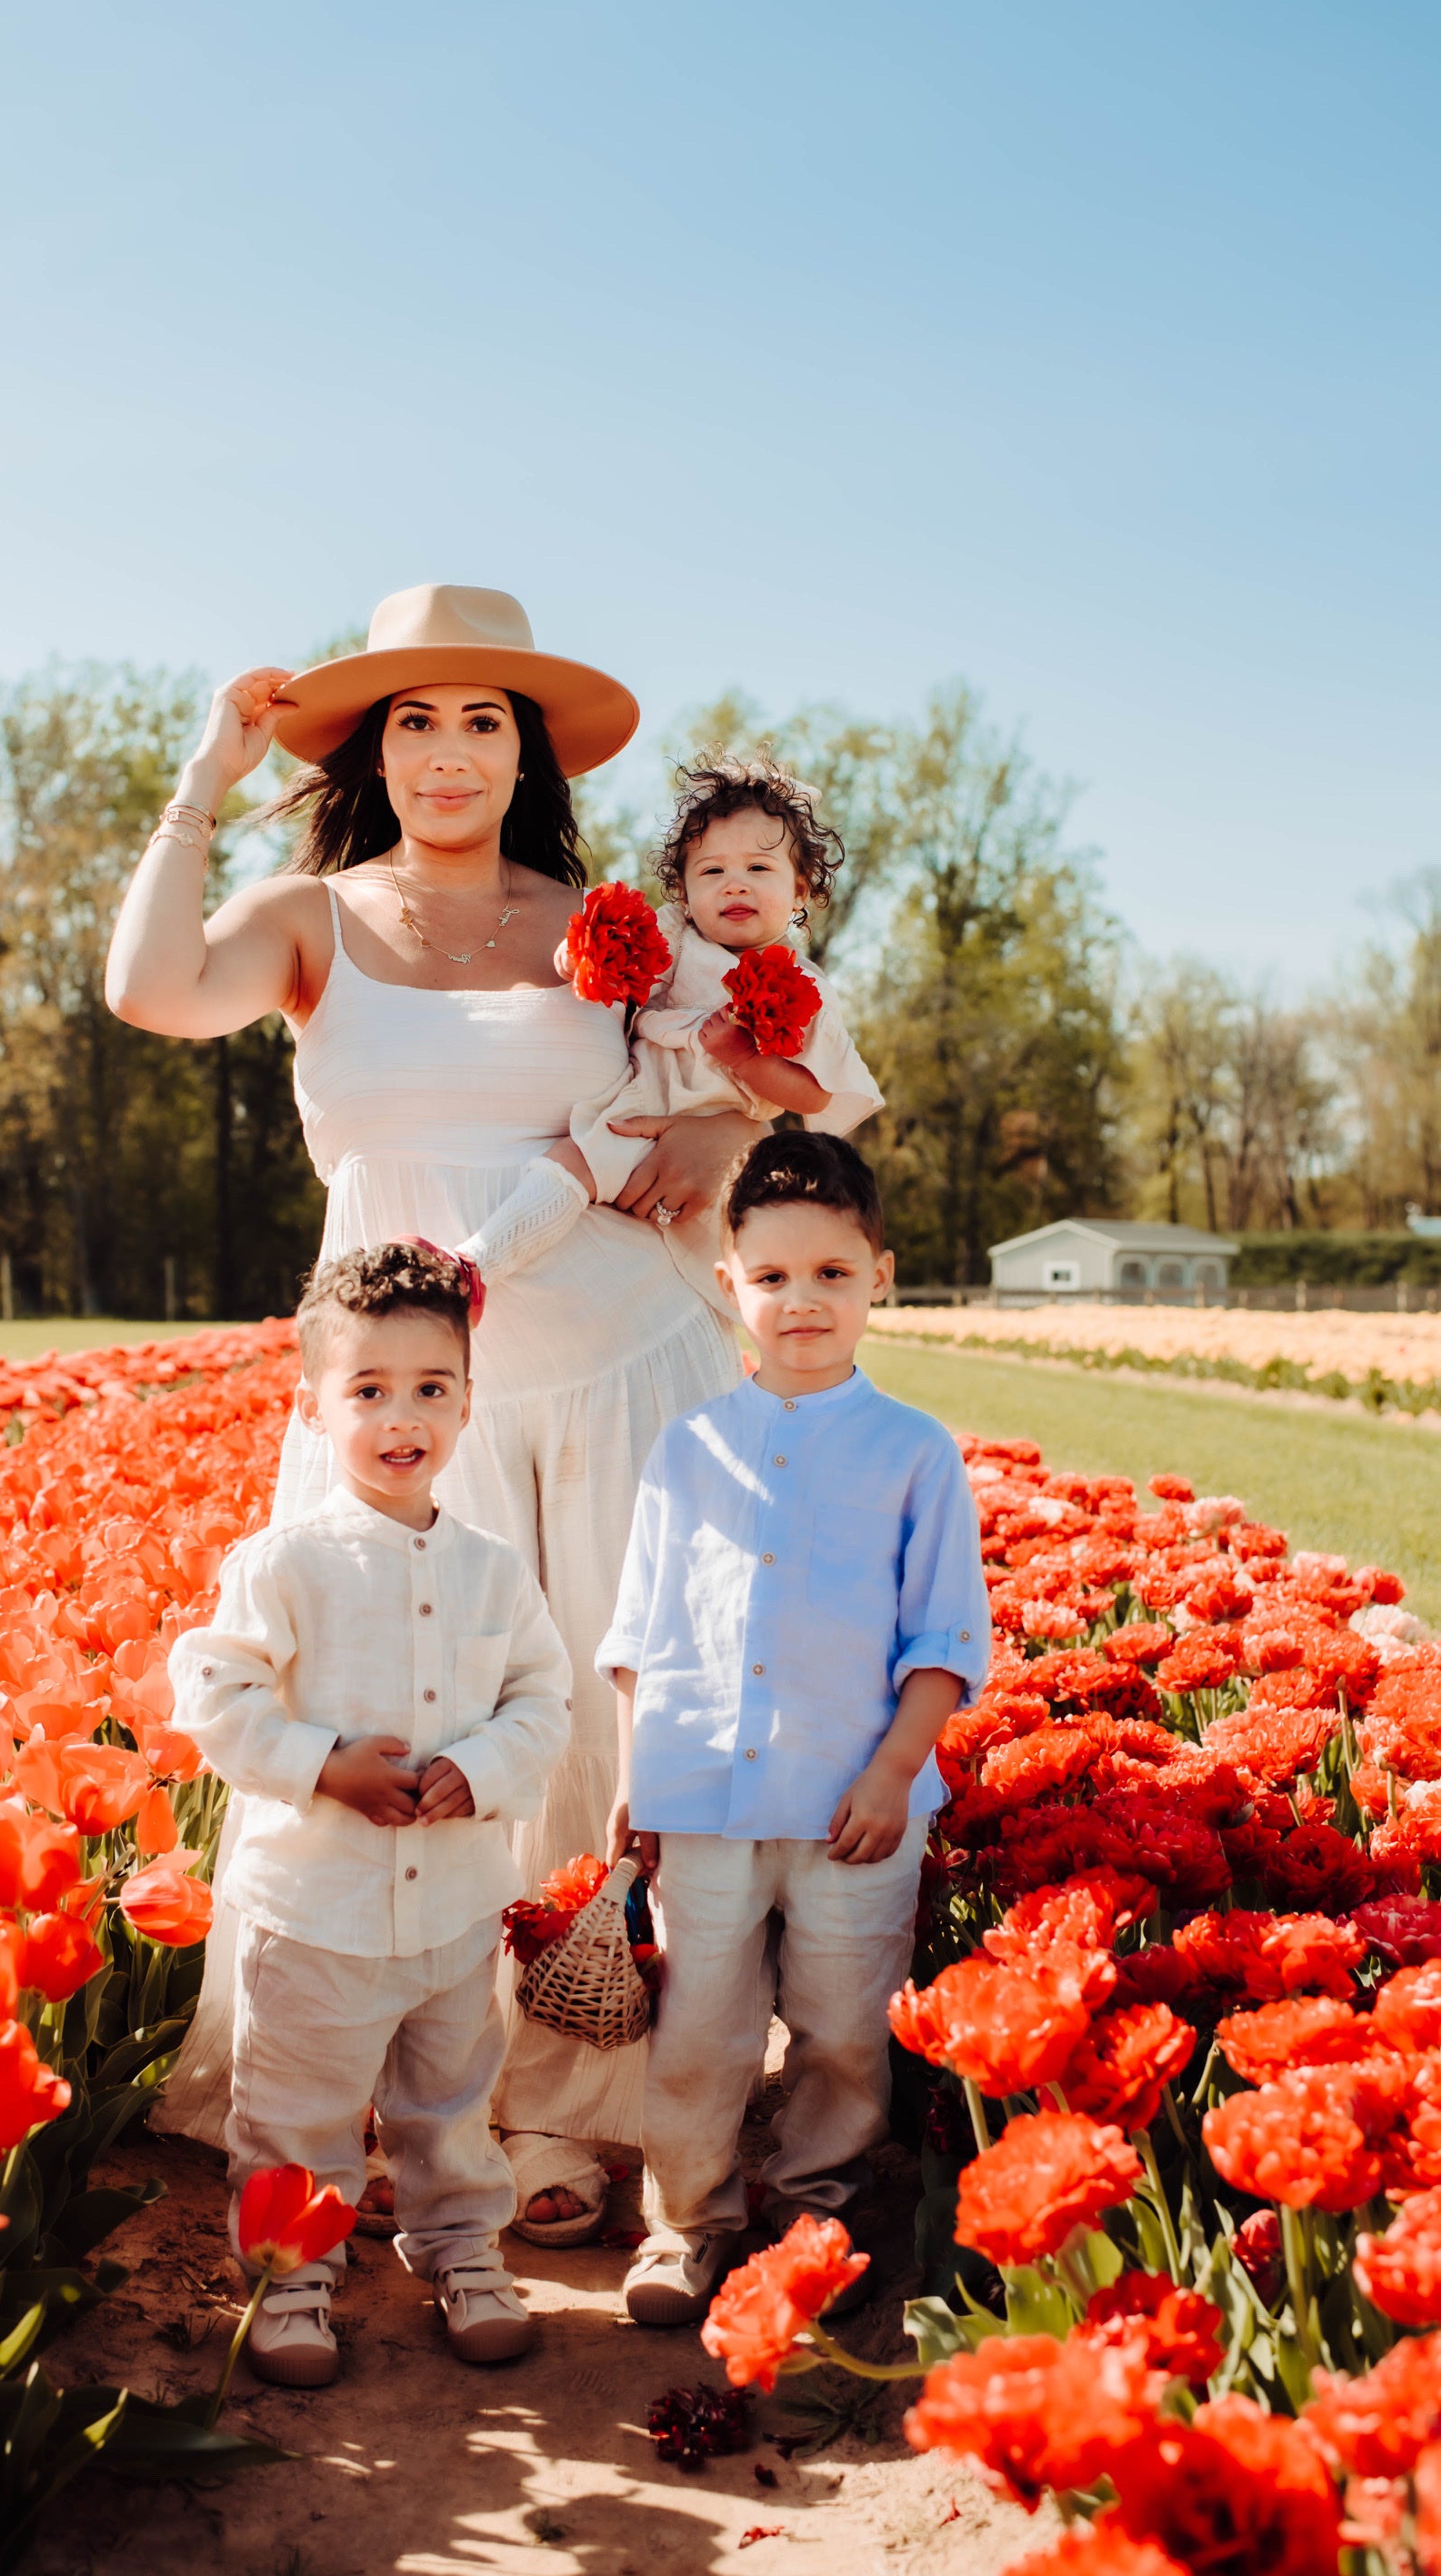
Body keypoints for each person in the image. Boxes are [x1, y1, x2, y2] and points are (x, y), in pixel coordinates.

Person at [107, 585, 759, 2240]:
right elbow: (149, 989)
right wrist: (206, 770)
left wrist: (714, 1145)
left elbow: (725, 1098)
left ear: (525, 748)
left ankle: (571, 2114)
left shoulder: (608, 923)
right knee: (402, 1715)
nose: (449, 750)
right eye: (414, 717)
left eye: (483, 718)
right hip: (400, 1389)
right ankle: (400, 2107)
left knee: (591, 1732)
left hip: (615, 1363)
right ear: (369, 747)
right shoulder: (308, 915)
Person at [599, 1132, 992, 2326]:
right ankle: (689, 2222)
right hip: (704, 1795)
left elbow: (942, 1640)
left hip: (850, 1811)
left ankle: (812, 2213)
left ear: (879, 1273)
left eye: (829, 1271)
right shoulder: (688, 1446)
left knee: (839, 2031)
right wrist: (634, 1778)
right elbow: (642, 1626)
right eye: (770, 1277)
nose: (800, 1300)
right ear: (729, 1286)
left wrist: (891, 1771)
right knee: (699, 2029)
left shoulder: (912, 1451)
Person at [167, 1243, 571, 2384]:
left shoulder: (494, 1571)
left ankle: (461, 2250)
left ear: (467, 1402)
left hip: (452, 1906)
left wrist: (485, 1766)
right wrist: (322, 1764)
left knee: (449, 2100)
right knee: (299, 2107)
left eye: (432, 1389)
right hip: (317, 1913)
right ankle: (294, 2273)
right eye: (369, 1390)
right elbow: (214, 1692)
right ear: (312, 1406)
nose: (405, 1416)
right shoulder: (285, 1562)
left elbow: (543, 1696)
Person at [456, 758, 883, 1307]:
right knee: (572, 1164)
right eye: (712, 872)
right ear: (682, 891)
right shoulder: (678, 939)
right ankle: (475, 1264)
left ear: (800, 890)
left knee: (742, 1274)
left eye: (759, 869)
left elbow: (814, 1094)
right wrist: (580, 959)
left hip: (719, 1136)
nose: (735, 886)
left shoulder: (806, 986)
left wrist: (746, 1059)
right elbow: (625, 976)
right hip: (641, 1104)